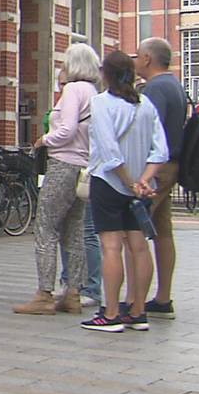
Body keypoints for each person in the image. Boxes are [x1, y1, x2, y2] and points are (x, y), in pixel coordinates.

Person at [81, 50, 169, 333]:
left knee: (111, 247)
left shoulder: (101, 103)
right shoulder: (146, 105)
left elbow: (109, 151)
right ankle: (139, 311)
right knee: (139, 246)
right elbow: (161, 151)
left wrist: (129, 181)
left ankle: (110, 313)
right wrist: (143, 181)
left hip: (109, 183)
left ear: (105, 74)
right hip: (141, 188)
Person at [13, 44, 99, 315]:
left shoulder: (73, 90)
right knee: (74, 231)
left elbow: (68, 128)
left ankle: (44, 293)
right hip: (83, 167)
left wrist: (44, 140)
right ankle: (73, 292)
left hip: (63, 163)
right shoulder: (94, 92)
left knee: (46, 227)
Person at [134, 37, 187, 321]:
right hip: (172, 165)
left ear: (147, 59)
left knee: (135, 230)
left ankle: (135, 301)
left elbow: (147, 132)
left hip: (155, 169)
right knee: (163, 232)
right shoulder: (175, 85)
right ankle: (162, 297)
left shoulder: (155, 89)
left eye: (138, 55)